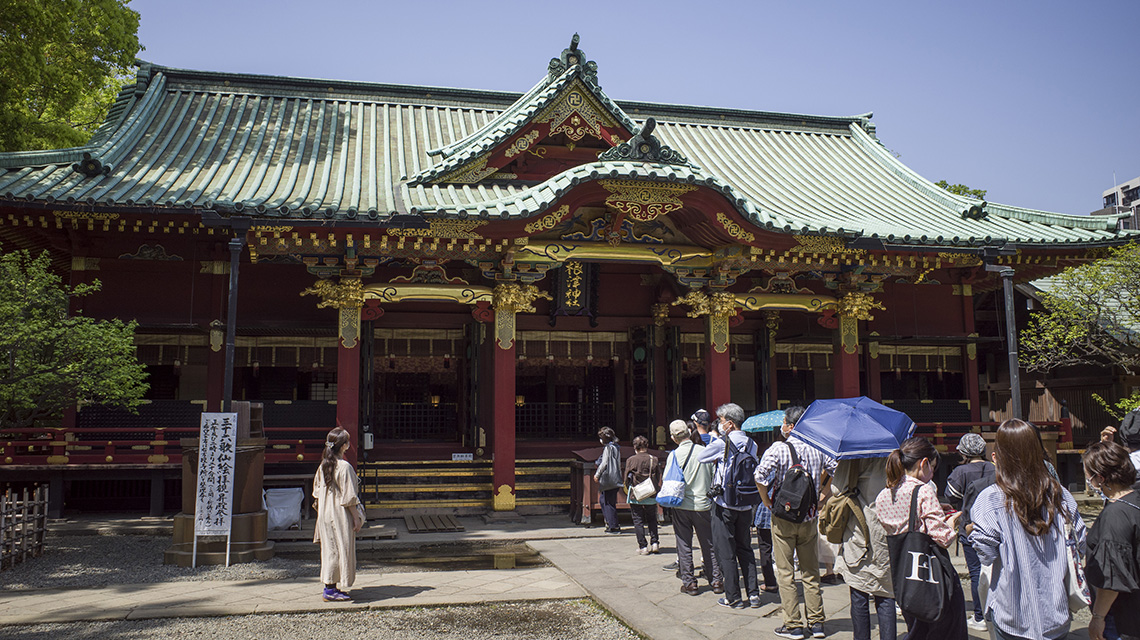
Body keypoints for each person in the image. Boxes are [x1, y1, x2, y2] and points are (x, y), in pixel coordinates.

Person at [970, 418, 1085, 640]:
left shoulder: (991, 498)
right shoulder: (1061, 495)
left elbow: (986, 554)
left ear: (1000, 455)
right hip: (1056, 611)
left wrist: (970, 531)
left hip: (1012, 611)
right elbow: (1080, 542)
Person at [756, 404, 836, 640]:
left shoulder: (778, 448)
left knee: (785, 572)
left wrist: (767, 502)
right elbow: (836, 469)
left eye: (784, 422)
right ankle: (817, 622)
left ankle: (793, 624)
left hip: (783, 517)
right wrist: (823, 495)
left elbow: (759, 476)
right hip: (810, 516)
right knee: (811, 571)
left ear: (790, 427)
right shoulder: (819, 448)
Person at [875, 436, 966, 640]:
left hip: (905, 577)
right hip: (932, 574)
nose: (932, 473)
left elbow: (903, 524)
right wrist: (952, 524)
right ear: (923, 463)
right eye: (932, 467)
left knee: (916, 631)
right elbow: (942, 537)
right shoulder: (924, 490)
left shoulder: (884, 495)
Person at [697, 402, 761, 610]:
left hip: (724, 503)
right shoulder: (753, 444)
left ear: (730, 424)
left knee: (726, 551)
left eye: (722, 421)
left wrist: (715, 438)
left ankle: (732, 596)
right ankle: (753, 594)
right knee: (746, 549)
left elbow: (702, 457)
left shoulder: (722, 443)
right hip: (745, 504)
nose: (720, 424)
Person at [832, 456, 895, 640]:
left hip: (860, 529)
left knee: (859, 592)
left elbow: (838, 489)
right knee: (886, 593)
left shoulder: (853, 456)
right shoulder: (895, 455)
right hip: (889, 527)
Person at [1083, 441, 1140, 640]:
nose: (1089, 481)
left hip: (1122, 615)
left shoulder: (1115, 515)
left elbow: (1112, 577)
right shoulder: (1134, 499)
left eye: (1089, 476)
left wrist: (1098, 617)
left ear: (1100, 478)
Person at [667, 419, 724, 595]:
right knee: (709, 543)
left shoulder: (674, 455)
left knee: (683, 543)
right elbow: (715, 476)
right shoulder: (704, 452)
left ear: (673, 437)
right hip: (703, 504)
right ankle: (716, 580)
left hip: (681, 504)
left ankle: (690, 582)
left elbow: (668, 479)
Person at [944, 432, 994, 631]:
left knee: (976, 572)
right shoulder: (995, 469)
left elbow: (951, 496)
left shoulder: (960, 472)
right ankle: (992, 611)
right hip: (992, 523)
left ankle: (980, 615)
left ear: (963, 452)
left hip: (969, 524)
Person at [312, 426, 364, 602]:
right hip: (339, 514)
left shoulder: (324, 465)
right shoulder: (344, 467)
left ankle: (330, 586)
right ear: (344, 446)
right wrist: (356, 518)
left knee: (330, 549)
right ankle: (330, 589)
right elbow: (349, 498)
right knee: (340, 548)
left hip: (325, 513)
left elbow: (317, 493)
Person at [624, 435, 661, 555]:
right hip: (650, 493)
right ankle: (655, 543)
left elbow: (626, 478)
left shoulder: (631, 460)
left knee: (638, 520)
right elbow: (658, 476)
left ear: (635, 446)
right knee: (652, 518)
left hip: (636, 494)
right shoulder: (654, 459)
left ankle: (643, 546)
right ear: (647, 445)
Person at [594, 427, 622, 533]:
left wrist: (597, 475)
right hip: (615, 477)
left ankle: (613, 525)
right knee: (607, 500)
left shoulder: (608, 448)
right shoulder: (617, 447)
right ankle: (611, 523)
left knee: (607, 501)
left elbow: (604, 463)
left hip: (608, 478)